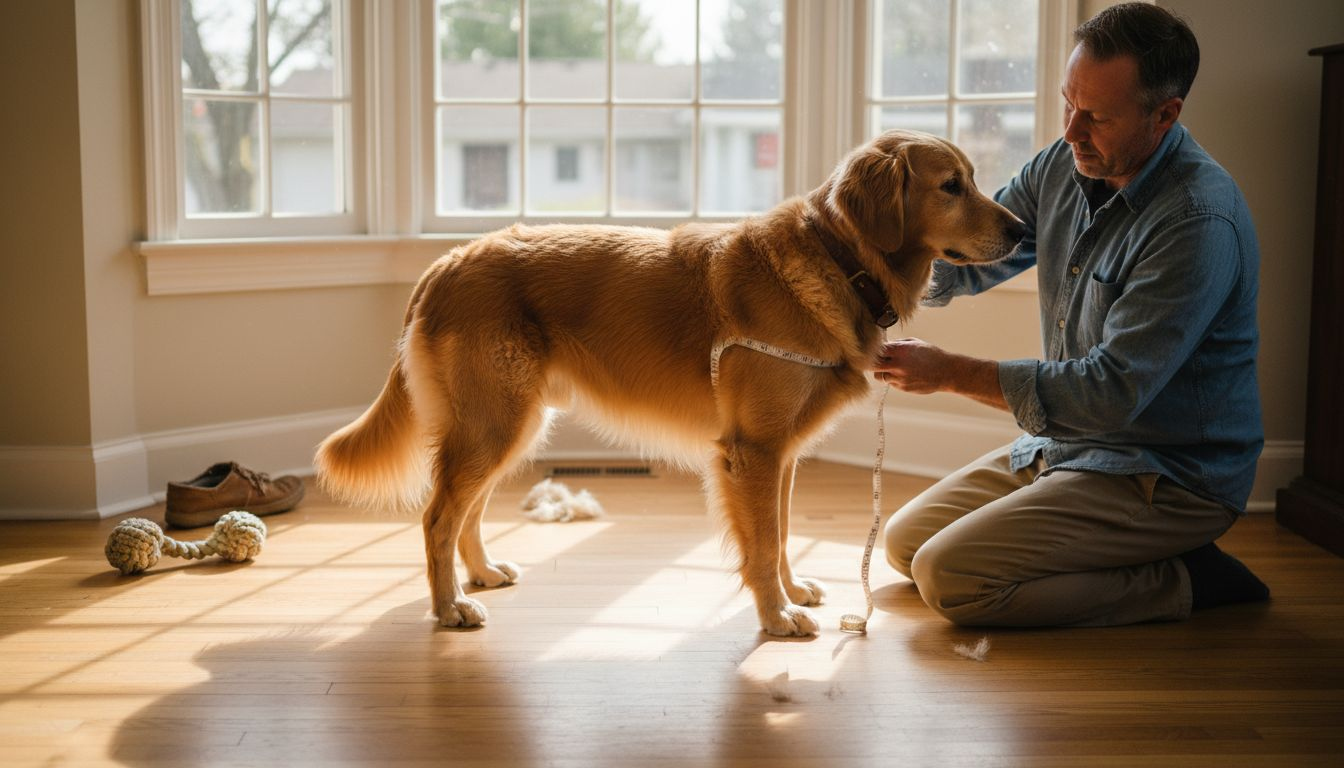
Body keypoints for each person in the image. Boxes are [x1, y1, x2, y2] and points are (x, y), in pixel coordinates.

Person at [871, 2, 1269, 627]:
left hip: (1168, 473)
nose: (1072, 131)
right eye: (1068, 104)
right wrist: (870, 279)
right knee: (905, 545)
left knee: (951, 579)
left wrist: (947, 372)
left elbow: (1109, 394)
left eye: (1098, 117)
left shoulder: (1196, 223)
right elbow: (977, 255)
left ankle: (1186, 577)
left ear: (1164, 115)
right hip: (1069, 446)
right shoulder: (1064, 163)